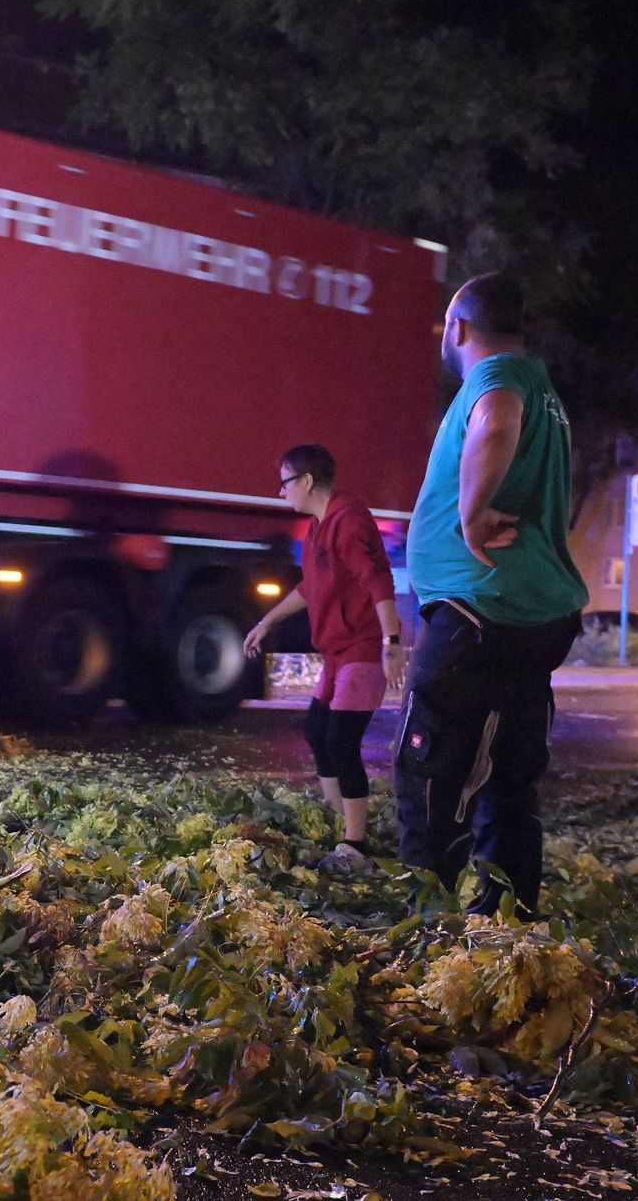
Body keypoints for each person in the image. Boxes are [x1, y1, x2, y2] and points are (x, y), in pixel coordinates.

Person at [398, 272, 585, 918]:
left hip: (475, 608)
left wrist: (472, 510)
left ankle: (428, 924)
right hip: (531, 614)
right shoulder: (546, 390)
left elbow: (496, 421)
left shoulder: (496, 375)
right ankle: (508, 920)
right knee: (508, 776)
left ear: (460, 328)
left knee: (432, 770)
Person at [243, 445, 405, 874]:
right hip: (336, 651)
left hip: (364, 647)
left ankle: (356, 846)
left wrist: (392, 642)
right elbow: (308, 589)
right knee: (317, 730)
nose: (281, 493)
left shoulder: (349, 522)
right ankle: (344, 824)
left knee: (341, 741)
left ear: (307, 482)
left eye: (285, 482)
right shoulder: (318, 527)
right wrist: (267, 622)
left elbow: (378, 580)